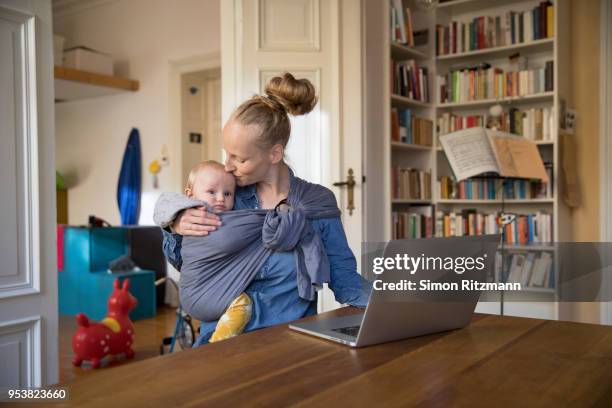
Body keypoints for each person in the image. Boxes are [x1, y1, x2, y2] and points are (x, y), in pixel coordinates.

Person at [162, 72, 371, 346]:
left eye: (239, 158)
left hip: (288, 344)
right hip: (221, 342)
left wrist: (402, 304)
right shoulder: (226, 198)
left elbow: (345, 280)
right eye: (227, 154)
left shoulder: (316, 204)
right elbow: (188, 264)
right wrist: (175, 223)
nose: (227, 166)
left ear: (274, 154)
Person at [182, 160, 252, 343]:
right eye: (212, 192)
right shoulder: (198, 220)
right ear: (190, 195)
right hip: (202, 292)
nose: (221, 198)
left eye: (227, 193)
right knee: (243, 303)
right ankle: (219, 342)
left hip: (207, 292)